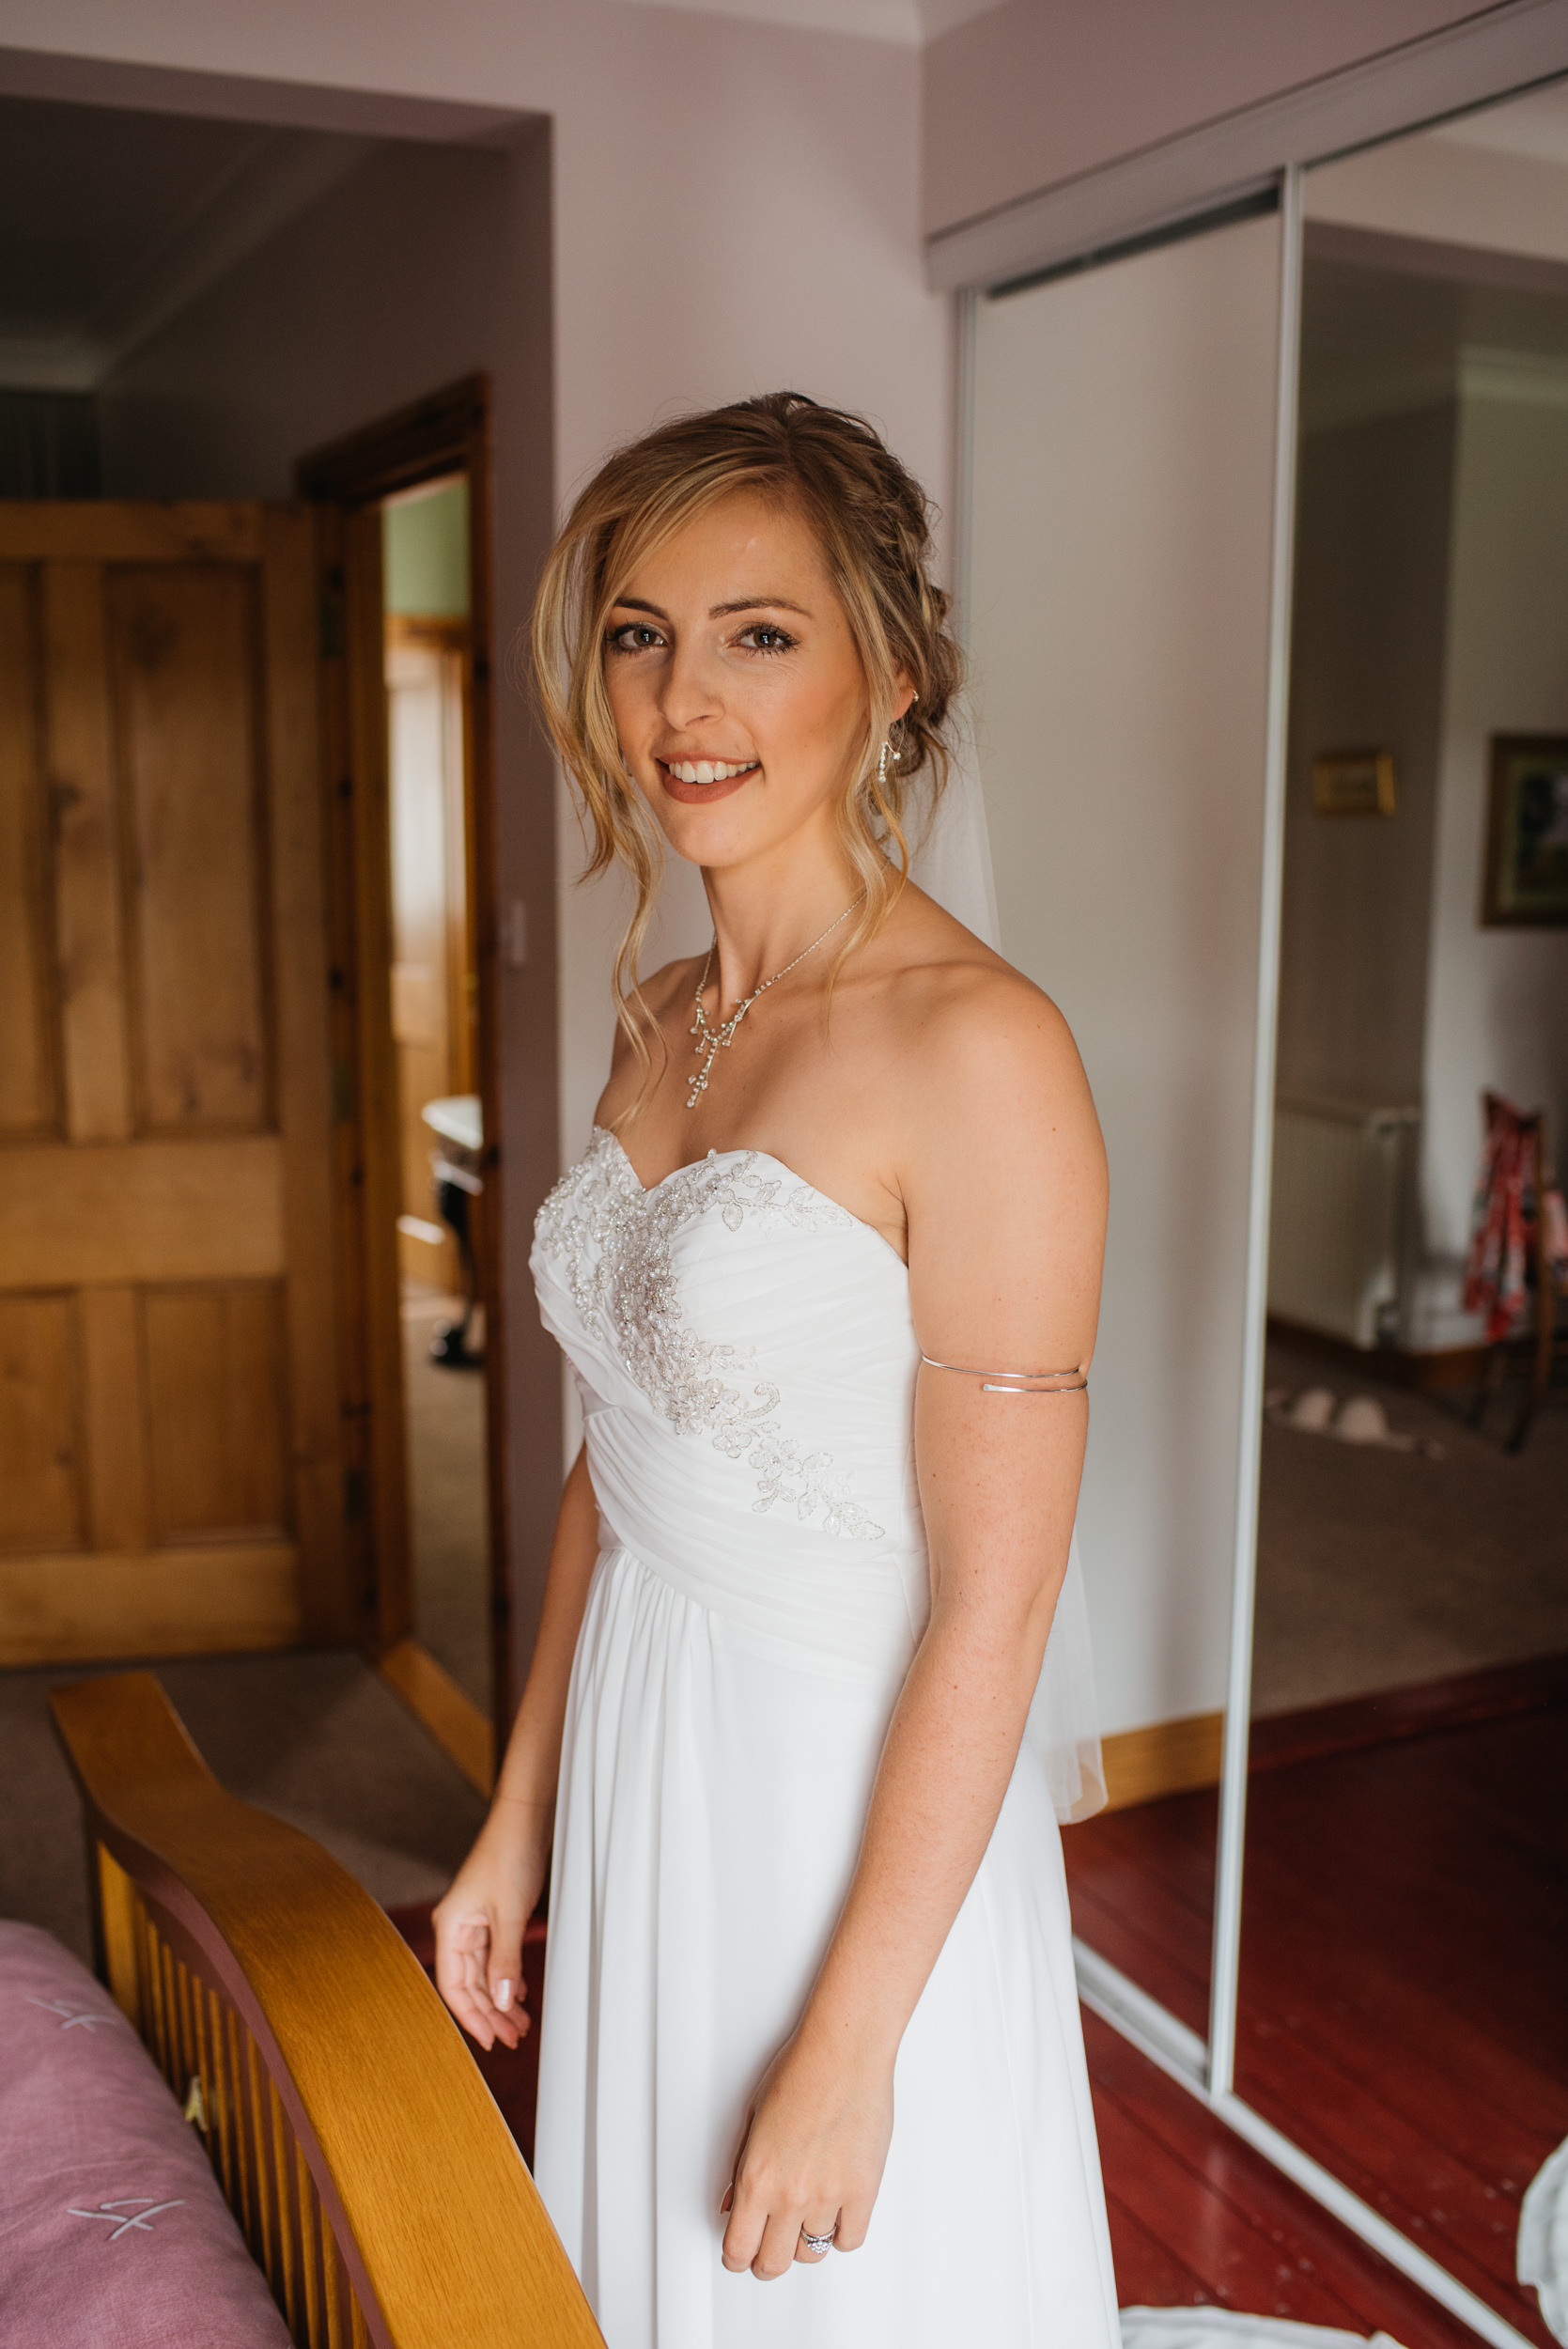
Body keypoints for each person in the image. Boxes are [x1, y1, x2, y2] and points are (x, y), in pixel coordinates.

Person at [433, 391, 1119, 2349]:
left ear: (888, 676)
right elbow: (623, 1451)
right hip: (643, 1726)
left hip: (843, 1789)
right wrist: (518, 1808)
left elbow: (997, 1596)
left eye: (758, 632)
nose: (680, 701)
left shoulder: (978, 1047)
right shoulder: (659, 1015)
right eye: (639, 634)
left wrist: (850, 2039)